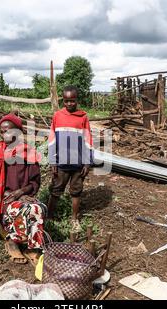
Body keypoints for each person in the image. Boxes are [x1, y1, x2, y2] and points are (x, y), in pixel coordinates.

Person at [0, 113, 45, 265]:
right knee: (19, 210)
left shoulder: (28, 153)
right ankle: (12, 241)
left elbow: (35, 181)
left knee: (38, 208)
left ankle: (32, 248)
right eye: (2, 131)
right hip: (5, 198)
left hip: (24, 195)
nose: (5, 135)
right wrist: (13, 195)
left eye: (9, 131)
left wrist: (21, 192)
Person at [47, 86, 93, 232]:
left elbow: (88, 139)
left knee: (76, 191)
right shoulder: (57, 116)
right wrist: (52, 160)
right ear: (63, 100)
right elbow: (52, 139)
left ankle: (74, 219)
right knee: (55, 190)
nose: (69, 104)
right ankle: (49, 217)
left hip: (78, 163)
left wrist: (87, 161)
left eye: (72, 101)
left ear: (76, 100)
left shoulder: (83, 117)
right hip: (61, 162)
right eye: (67, 101)